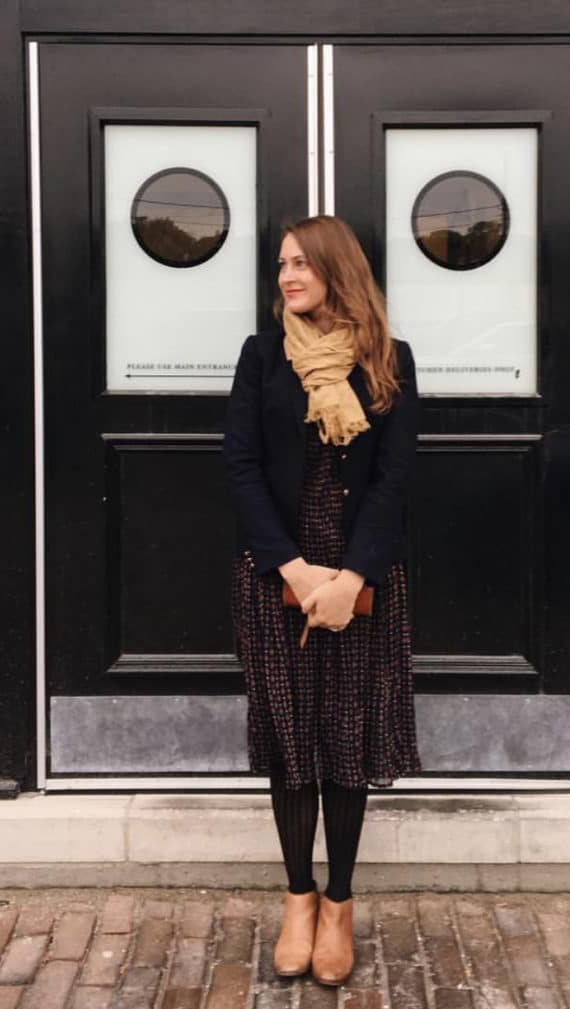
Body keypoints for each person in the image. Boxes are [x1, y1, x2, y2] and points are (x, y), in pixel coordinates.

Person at [223, 215, 421, 985]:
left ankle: (339, 901)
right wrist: (294, 570)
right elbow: (240, 467)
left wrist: (351, 578)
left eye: (302, 263)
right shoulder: (262, 357)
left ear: (339, 270)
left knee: (346, 736)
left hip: (361, 580)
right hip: (278, 572)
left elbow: (395, 480)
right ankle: (297, 896)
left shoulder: (388, 362)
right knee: (289, 736)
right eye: (281, 263)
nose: (287, 276)